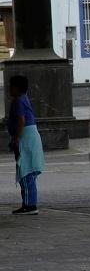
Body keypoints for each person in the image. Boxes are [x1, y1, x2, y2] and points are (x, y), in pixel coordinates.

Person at [7, 75, 44, 215]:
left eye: (11, 86)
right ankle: (28, 203)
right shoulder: (24, 98)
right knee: (27, 170)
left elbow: (21, 120)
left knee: (26, 171)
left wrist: (16, 138)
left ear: (17, 88)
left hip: (25, 137)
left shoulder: (18, 101)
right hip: (30, 136)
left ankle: (30, 205)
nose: (9, 89)